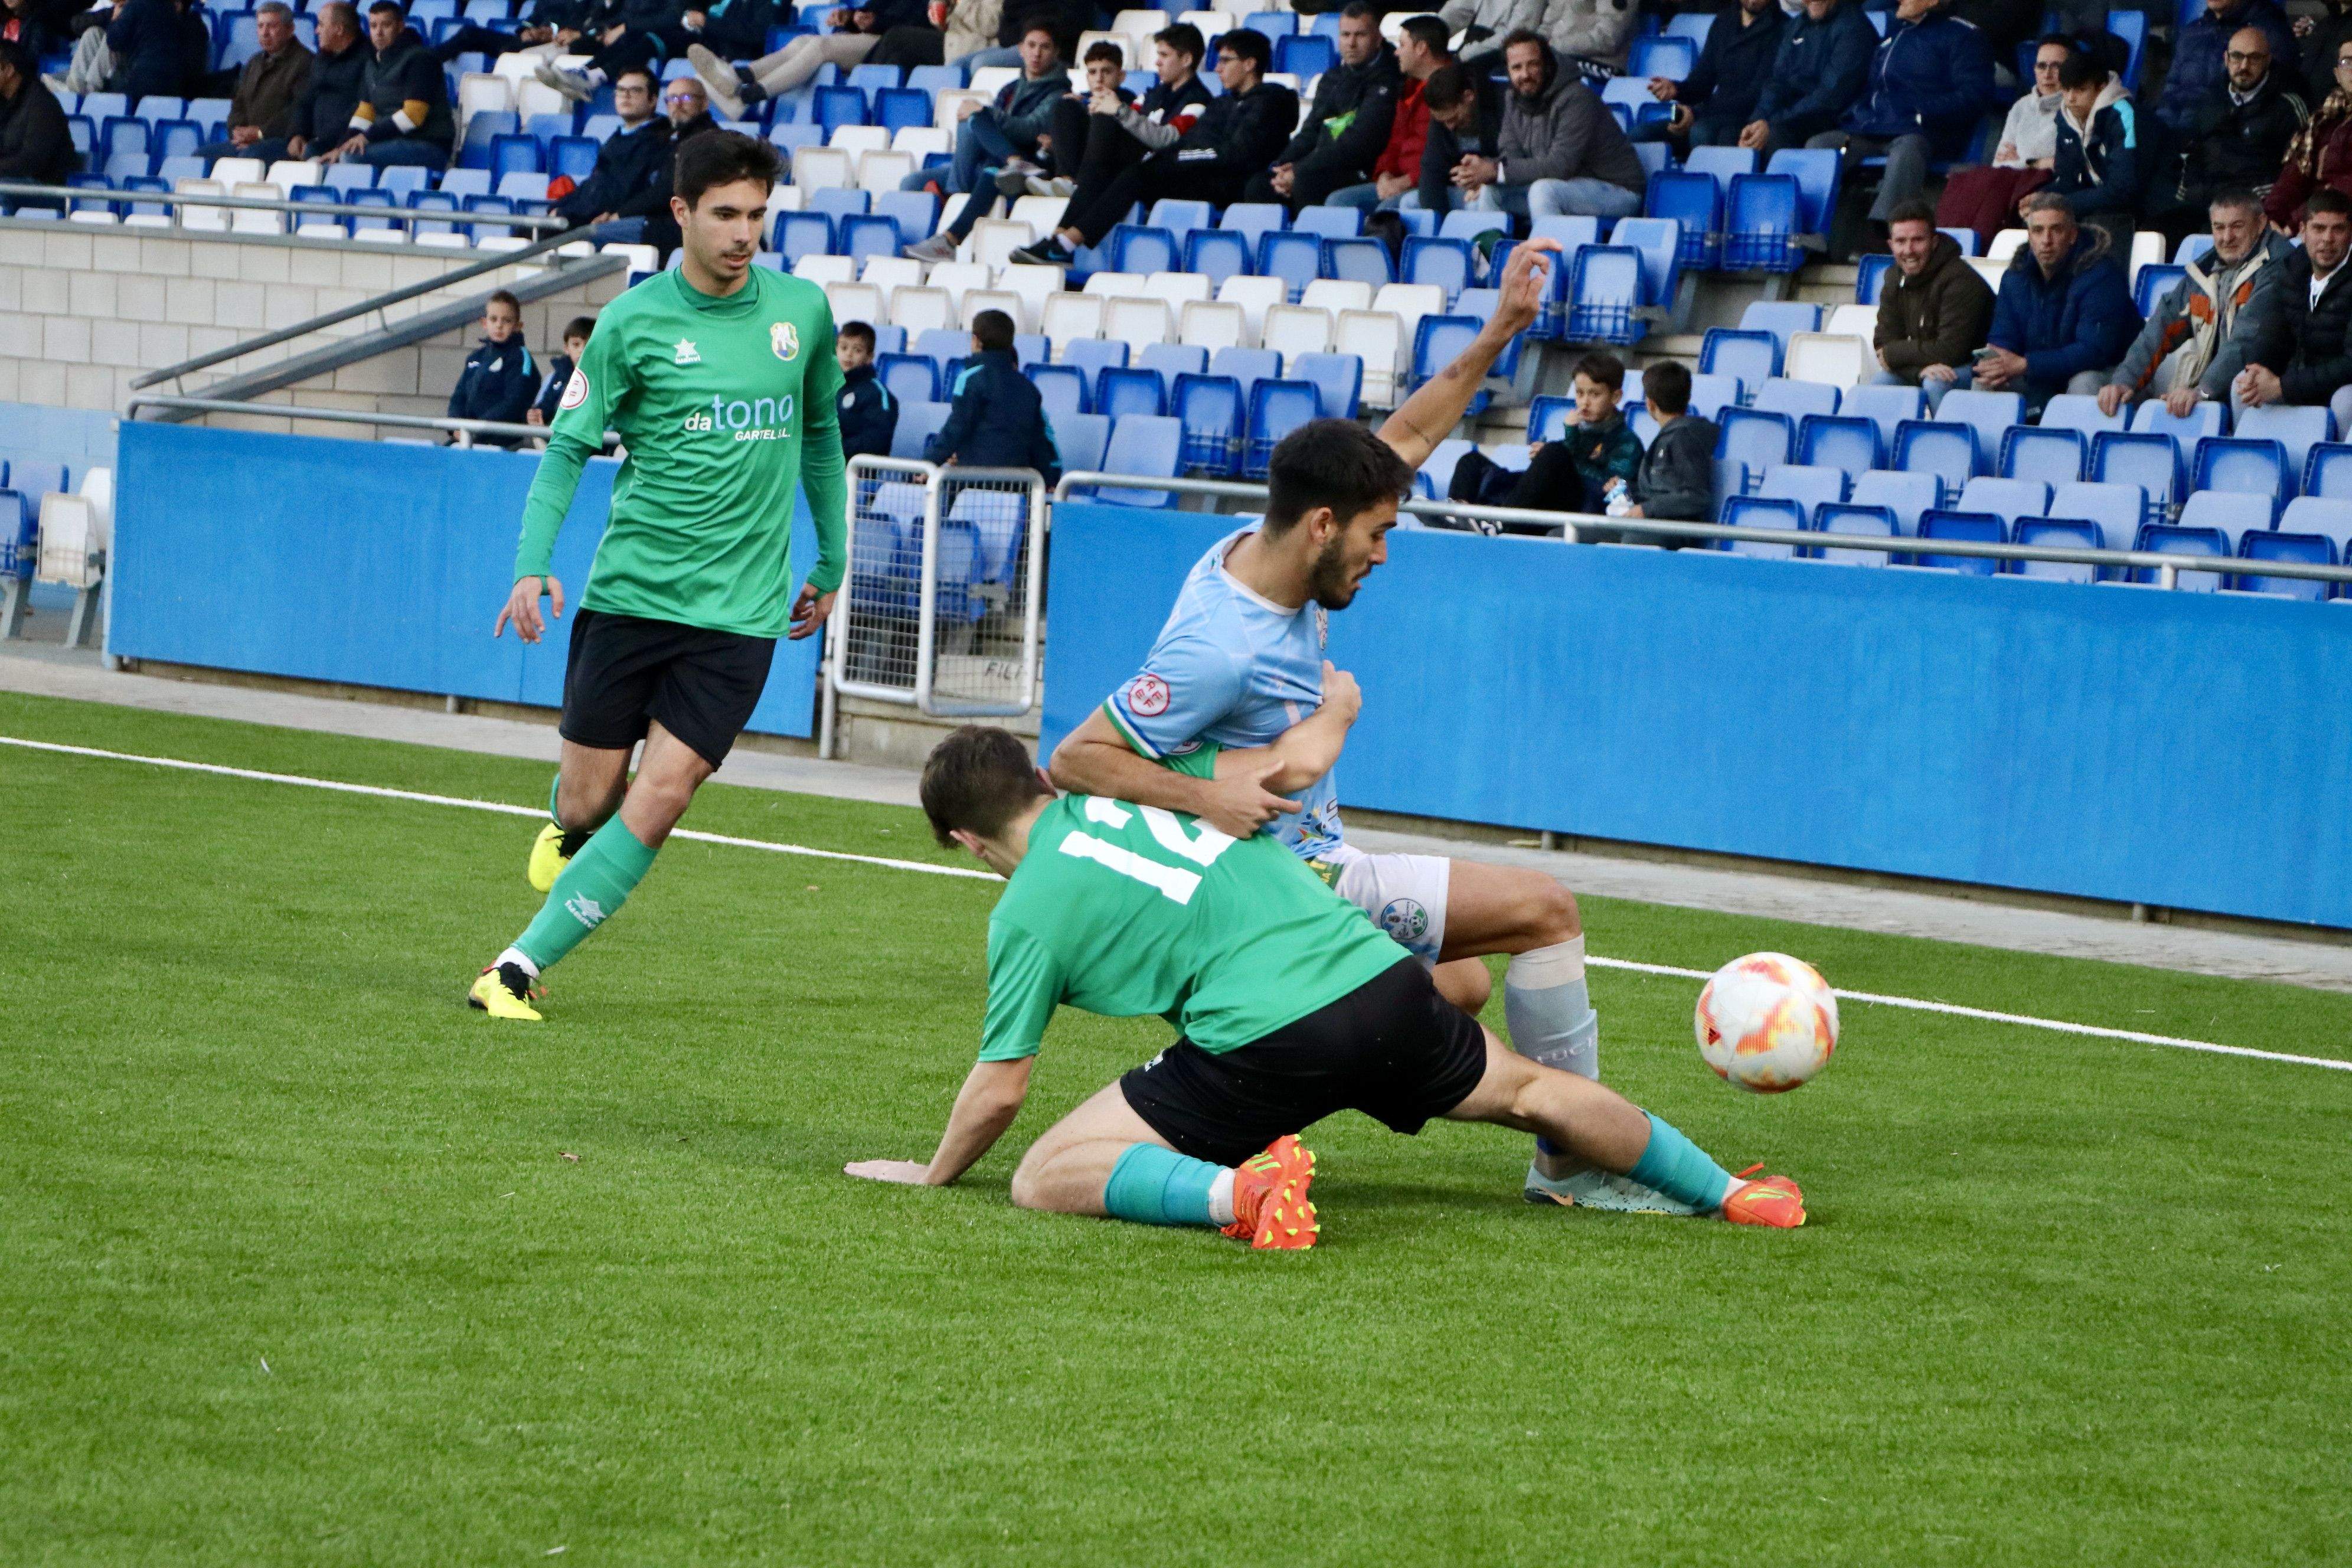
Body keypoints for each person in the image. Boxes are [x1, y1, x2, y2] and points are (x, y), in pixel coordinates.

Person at [1047, 243, 1703, 1216]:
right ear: (1322, 524)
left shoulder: (1264, 547)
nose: (1383, 554)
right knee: (1543, 909)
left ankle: (1274, 1072)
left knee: (1460, 988)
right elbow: (1073, 760)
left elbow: (1404, 431)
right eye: (1375, 535)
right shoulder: (1216, 646)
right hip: (1291, 885)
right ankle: (1575, 1165)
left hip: (1310, 869)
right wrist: (1208, 797)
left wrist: (1499, 333)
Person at [846, 724, 1808, 1244]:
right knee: (1529, 1092)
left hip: (1267, 1041)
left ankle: (1243, 1197)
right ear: (1037, 783)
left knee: (1047, 1175)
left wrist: (929, 1173)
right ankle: (1727, 1191)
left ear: (971, 842)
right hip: (1382, 983)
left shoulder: (1023, 907)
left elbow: (1001, 1088)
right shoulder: (1128, 789)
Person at [470, 132, 848, 1021]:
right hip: (634, 597)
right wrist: (532, 568)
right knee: (591, 797)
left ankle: (514, 970)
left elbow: (821, 439)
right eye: (725, 214)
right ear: (681, 213)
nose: (745, 232)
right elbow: (566, 451)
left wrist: (831, 559)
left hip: (742, 614)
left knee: (665, 792)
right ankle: (567, 821)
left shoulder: (804, 313)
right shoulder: (632, 325)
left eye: (758, 214)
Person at [1008, 28, 1295, 266]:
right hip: (1198, 172)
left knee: (1138, 174)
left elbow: (1236, 155)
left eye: (1226, 60)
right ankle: (1060, 240)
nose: (1217, 68)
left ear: (1249, 64)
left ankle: (1065, 243)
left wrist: (1178, 157)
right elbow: (1197, 143)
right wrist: (1181, 156)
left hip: (1228, 184)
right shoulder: (1221, 104)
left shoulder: (1268, 102)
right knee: (1118, 168)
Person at [1805, 0, 1994, 243]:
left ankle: (1889, 234)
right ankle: (1811, 236)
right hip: (1873, 129)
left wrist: (1920, 113)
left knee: (1907, 150)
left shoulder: (1964, 36)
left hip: (1927, 132)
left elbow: (1975, 97)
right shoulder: (1895, 33)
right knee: (1820, 146)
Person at [2101, 190, 2289, 418]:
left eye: (2237, 226)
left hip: (2260, 390)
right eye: (2219, 227)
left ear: (2260, 224)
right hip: (2212, 393)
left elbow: (2247, 340)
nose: (2226, 237)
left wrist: (2203, 391)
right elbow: (2161, 325)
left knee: (2240, 387)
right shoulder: (2204, 270)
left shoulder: (2280, 265)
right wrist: (2125, 382)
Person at [900, 20, 1061, 262]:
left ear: (1056, 53)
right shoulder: (1010, 89)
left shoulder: (1058, 93)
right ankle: (925, 238)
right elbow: (991, 133)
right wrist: (983, 116)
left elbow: (1030, 130)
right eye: (1032, 45)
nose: (1037, 53)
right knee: (911, 182)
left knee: (975, 122)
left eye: (1045, 47)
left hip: (1027, 168)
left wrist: (985, 113)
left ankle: (949, 236)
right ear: (1020, 49)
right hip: (995, 163)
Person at [1453, 28, 1644, 219]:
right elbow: (1511, 156)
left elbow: (1560, 166)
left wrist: (1494, 171)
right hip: (1563, 187)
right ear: (1508, 71)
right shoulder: (1513, 98)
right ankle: (1489, 249)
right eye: (1517, 68)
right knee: (1491, 192)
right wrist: (1482, 171)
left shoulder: (1576, 97)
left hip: (1617, 191)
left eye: (1533, 65)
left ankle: (1546, 249)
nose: (1525, 74)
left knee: (1543, 191)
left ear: (1546, 65)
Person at [1978, 191, 2139, 411]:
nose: (2046, 241)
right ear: (2029, 236)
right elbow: (2003, 337)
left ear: (2072, 235)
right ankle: (1994, 445)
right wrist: (1997, 359)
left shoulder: (2103, 275)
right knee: (1987, 379)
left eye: (2056, 230)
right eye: (2038, 231)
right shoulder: (2015, 276)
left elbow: (2093, 351)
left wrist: (2026, 364)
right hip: (2041, 370)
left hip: (2112, 372)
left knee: (2084, 383)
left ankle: (2078, 445)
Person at [1446, 349, 1642, 522]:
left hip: (1576, 507)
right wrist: (1545, 457)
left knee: (1555, 453)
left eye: (1594, 394)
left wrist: (1554, 456)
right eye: (1580, 393)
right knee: (1471, 461)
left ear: (1615, 397)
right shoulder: (1580, 431)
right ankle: (1456, 515)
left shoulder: (1628, 443)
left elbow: (1607, 487)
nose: (1584, 402)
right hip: (1542, 497)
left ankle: (1503, 521)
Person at [2158, 25, 2308, 247]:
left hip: (2256, 209)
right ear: (2226, 59)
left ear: (2268, 61)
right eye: (2237, 57)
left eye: (2254, 58)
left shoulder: (2287, 106)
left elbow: (2297, 170)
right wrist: (2195, 195)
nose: (2244, 66)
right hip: (2208, 205)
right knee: (2159, 231)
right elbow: (2194, 161)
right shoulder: (2209, 103)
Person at [1023, 22, 1209, 200]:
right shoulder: (1152, 94)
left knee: (1105, 118)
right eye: (1093, 72)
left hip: (1150, 171)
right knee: (1067, 106)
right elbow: (1126, 120)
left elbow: (1167, 139)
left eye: (1164, 55)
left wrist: (1116, 110)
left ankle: (1080, 187)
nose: (1157, 62)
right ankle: (1066, 180)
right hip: (1122, 161)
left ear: (1186, 60)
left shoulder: (1199, 101)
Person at [1245, 4, 1400, 213]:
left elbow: (1361, 142)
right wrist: (1284, 165)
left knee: (1308, 184)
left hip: (1363, 168)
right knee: (1262, 184)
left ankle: (1313, 243)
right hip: (1323, 164)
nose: (1351, 44)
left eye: (1360, 35)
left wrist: (1300, 170)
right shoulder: (1332, 78)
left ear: (1378, 38)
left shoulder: (1390, 78)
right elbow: (1311, 130)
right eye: (1345, 35)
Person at [1938, 31, 2070, 249]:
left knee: (1990, 183)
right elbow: (2000, 162)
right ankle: (1952, 246)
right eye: (2041, 66)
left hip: (2047, 181)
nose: (2047, 75)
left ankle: (1973, 248)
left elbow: (2063, 161)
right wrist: (2036, 159)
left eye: (2056, 67)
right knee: (1965, 181)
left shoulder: (2073, 106)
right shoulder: (2021, 107)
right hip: (2012, 178)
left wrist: (2025, 160)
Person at [2235, 188, 2352, 427]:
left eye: (2337, 229)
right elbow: (2272, 332)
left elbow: (2350, 364)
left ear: (2351, 234)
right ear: (2303, 232)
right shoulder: (2292, 269)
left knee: (2346, 401)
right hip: (2299, 378)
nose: (2327, 239)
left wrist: (2282, 386)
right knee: (2243, 388)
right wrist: (2257, 369)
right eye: (2319, 228)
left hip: (2341, 385)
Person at [688, 0, 917, 119]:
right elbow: (873, 12)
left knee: (820, 45)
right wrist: (850, 18)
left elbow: (913, 27)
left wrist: (871, 22)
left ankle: (749, 97)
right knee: (802, 41)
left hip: (890, 44)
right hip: (870, 36)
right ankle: (740, 76)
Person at [1873, 200, 1997, 412]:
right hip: (1928, 363)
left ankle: (1950, 441)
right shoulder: (1893, 277)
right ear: (1891, 245)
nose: (1909, 250)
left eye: (1917, 240)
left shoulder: (1961, 280)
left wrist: (1894, 354)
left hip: (1975, 366)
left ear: (1934, 241)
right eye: (1901, 242)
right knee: (1882, 382)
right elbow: (1883, 343)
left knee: (1937, 382)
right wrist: (1917, 372)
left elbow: (1951, 351)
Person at [1327, 13, 1449, 211]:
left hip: (1427, 184)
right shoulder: (1408, 90)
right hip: (1397, 181)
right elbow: (1395, 142)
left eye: (1402, 46)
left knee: (1385, 213)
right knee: (1338, 202)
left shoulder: (1452, 90)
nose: (1396, 53)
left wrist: (1405, 182)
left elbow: (1446, 154)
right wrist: (1384, 174)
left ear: (1421, 49)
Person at [923, 309, 1059, 480]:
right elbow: (1038, 441)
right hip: (1016, 485)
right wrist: (1049, 479)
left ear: (976, 340)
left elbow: (957, 427)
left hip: (974, 482)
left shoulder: (969, 379)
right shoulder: (1029, 388)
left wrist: (929, 462)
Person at [318, 1, 455, 170]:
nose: (379, 33)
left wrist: (367, 137)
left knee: (352, 159)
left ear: (400, 27)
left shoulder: (420, 60)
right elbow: (364, 114)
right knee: (325, 167)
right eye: (373, 26)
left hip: (428, 145)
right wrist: (341, 147)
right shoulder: (373, 64)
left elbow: (413, 116)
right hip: (388, 142)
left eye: (386, 25)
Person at [1639, 0, 1784, 152]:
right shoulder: (1724, 21)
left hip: (1746, 119)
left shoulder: (1782, 28)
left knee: (1702, 132)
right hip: (1711, 115)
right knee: (1641, 134)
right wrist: (1676, 89)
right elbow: (1702, 80)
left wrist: (1695, 113)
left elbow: (1756, 96)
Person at [1739, 0, 1875, 156]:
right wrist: (1758, 119)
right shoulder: (1797, 25)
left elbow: (1829, 98)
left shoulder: (1854, 29)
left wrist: (1772, 123)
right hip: (1794, 117)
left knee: (1775, 136)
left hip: (1838, 122)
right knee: (1743, 134)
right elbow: (1777, 81)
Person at [2158, 0, 2301, 134]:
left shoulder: (2268, 36)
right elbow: (2171, 92)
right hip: (2175, 139)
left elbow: (2267, 108)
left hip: (2224, 142)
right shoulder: (2192, 32)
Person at [553, 67, 669, 228]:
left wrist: (567, 213)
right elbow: (594, 184)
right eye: (621, 90)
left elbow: (619, 191)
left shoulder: (658, 140)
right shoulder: (617, 138)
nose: (626, 96)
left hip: (604, 223)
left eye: (635, 90)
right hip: (585, 215)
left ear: (653, 100)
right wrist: (560, 207)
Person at [192, 1, 309, 162]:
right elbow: (238, 104)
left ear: (290, 30)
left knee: (250, 157)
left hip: (281, 141)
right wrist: (239, 132)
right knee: (200, 157)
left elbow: (298, 110)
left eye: (272, 26)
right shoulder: (254, 63)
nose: (265, 33)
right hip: (247, 142)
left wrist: (260, 133)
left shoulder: (305, 62)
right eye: (261, 26)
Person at [2044, 51, 2139, 247]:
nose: (2070, 98)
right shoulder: (2066, 120)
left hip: (2143, 208)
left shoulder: (2124, 114)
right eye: (2066, 90)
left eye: (2080, 90)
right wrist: (2042, 199)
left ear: (2101, 88)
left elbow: (2123, 189)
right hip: (2102, 204)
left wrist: (2062, 204)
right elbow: (2067, 178)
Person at [534, 0, 696, 106]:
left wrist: (626, 27)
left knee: (643, 38)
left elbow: (672, 18)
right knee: (615, 39)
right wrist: (607, 29)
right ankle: (584, 72)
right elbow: (625, 15)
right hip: (640, 33)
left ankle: (593, 78)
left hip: (680, 40)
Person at [2268, 34, 2352, 230]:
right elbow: (2293, 178)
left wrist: (2298, 221)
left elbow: (2346, 187)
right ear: (2337, 74)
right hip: (2309, 223)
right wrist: (2270, 218)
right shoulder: (2322, 121)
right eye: (2347, 62)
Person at [629, 74, 717, 256]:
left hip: (674, 227)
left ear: (704, 103)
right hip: (656, 220)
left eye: (686, 98)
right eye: (672, 99)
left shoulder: (706, 141)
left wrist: (620, 214)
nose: (678, 105)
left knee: (589, 236)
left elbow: (666, 190)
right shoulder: (668, 137)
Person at [1625, 360, 1718, 530]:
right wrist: (1627, 487)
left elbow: (1695, 496)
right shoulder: (1674, 436)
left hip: (1674, 529)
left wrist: (1647, 509)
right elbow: (1659, 489)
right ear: (1688, 398)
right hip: (1655, 523)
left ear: (1650, 404)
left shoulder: (1683, 438)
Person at [1410, 59, 1504, 215]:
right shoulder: (1443, 118)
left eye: (1453, 119)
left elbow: (1513, 156)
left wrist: (1487, 177)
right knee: (1411, 202)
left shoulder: (1499, 103)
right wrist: (1437, 222)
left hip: (1499, 186)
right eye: (1443, 122)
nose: (1450, 127)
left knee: (1479, 202)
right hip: (1463, 190)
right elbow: (1431, 169)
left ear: (1468, 97)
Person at [447, 292, 540, 443]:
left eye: (507, 321)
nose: (499, 325)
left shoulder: (521, 359)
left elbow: (514, 403)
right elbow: (459, 396)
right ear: (485, 323)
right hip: (467, 438)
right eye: (494, 319)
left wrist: (477, 430)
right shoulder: (475, 358)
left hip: (501, 444)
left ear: (518, 326)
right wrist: (455, 426)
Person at [280, 1, 365, 162]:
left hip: (339, 143)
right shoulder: (321, 60)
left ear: (339, 29)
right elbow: (305, 100)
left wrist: (324, 141)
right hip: (310, 141)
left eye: (321, 24)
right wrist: (297, 134)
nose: (316, 31)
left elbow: (361, 109)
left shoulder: (367, 60)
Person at [0, 37, 76, 193]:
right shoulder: (4, 101)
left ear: (9, 70)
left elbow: (31, 162)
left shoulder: (42, 105)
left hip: (45, 189)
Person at [430, 0, 587, 64]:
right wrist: (526, 30)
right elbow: (532, 18)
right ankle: (429, 59)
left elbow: (584, 26)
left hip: (555, 46)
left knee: (509, 52)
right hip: (527, 41)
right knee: (470, 33)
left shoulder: (586, 3)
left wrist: (552, 32)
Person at [834, 319, 897, 460]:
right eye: (844, 348)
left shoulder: (877, 394)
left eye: (857, 350)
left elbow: (876, 442)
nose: (849, 354)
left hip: (859, 477)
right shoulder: (826, 388)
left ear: (870, 357)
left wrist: (832, 447)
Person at [1541, 0, 1643, 75]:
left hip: (1601, 65)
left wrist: (1553, 46)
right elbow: (1549, 25)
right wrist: (1535, 44)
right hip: (1559, 58)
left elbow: (1607, 40)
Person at [530, 315, 596, 428]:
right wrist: (536, 415)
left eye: (589, 345)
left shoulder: (605, 378)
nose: (582, 350)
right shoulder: (556, 376)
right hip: (553, 436)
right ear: (566, 348)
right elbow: (545, 405)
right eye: (576, 345)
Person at [1435, 0, 1536, 69]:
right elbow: (1455, 11)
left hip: (1501, 59)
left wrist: (1463, 56)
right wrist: (1428, 37)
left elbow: (1516, 36)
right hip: (1472, 49)